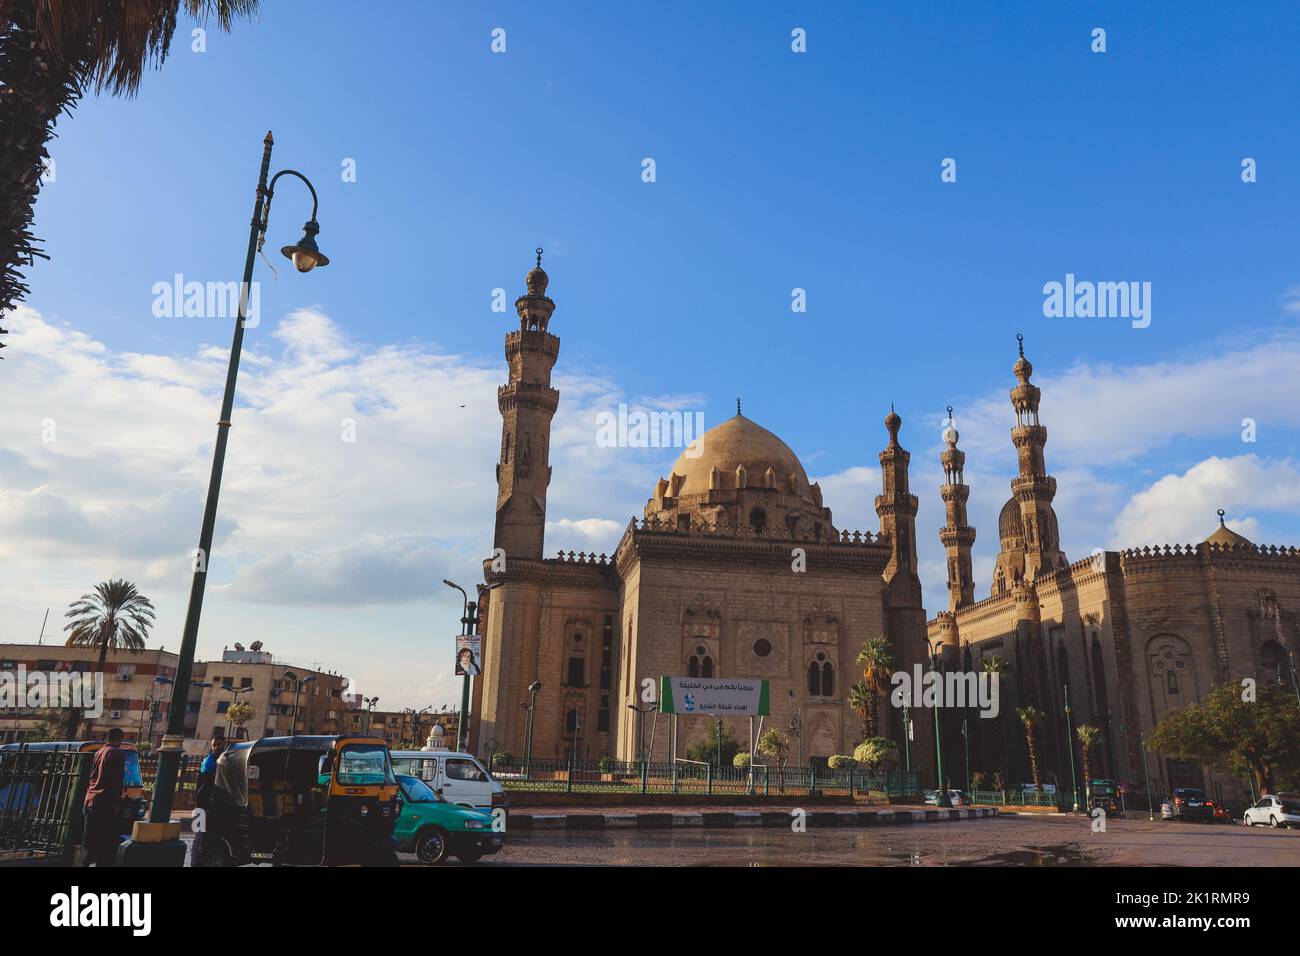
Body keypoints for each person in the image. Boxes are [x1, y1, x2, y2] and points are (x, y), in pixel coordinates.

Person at [82, 728, 127, 866]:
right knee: (106, 840)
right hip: (105, 801)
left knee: (90, 838)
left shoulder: (98, 752)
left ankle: (85, 862)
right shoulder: (118, 753)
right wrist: (117, 802)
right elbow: (117, 780)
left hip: (91, 799)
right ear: (119, 739)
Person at [189, 736, 226, 866]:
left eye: (219, 744)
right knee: (199, 837)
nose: (216, 747)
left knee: (206, 838)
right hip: (201, 806)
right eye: (214, 745)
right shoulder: (209, 762)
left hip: (209, 806)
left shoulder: (220, 761)